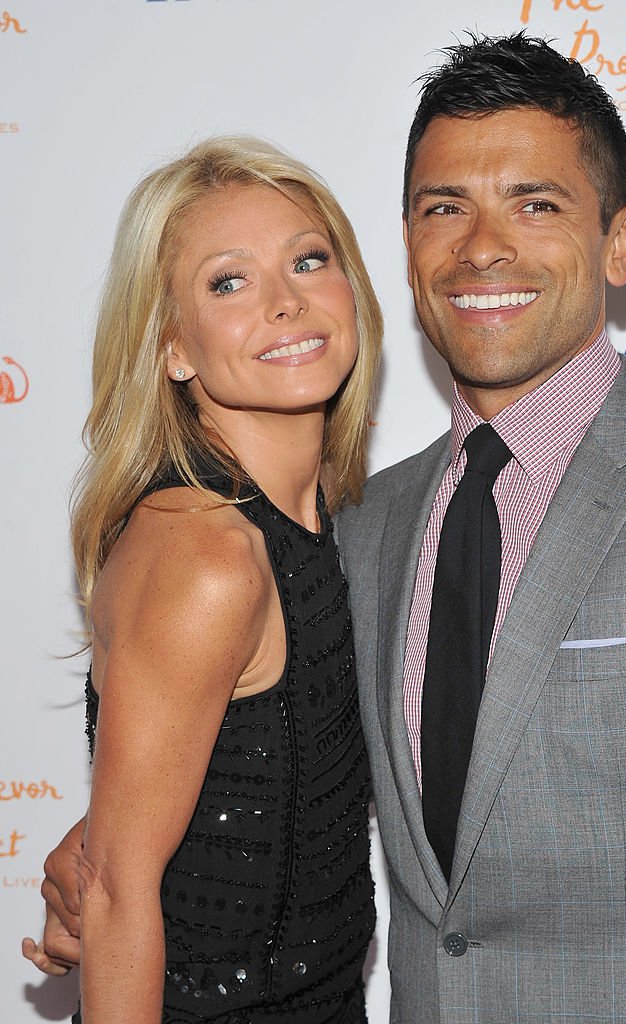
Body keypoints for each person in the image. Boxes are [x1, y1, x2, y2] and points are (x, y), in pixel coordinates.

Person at [26, 31, 626, 1023]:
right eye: (445, 208)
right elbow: (266, 756)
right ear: (403, 246)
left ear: (617, 242)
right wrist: (111, 840)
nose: (483, 247)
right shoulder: (361, 528)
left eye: (534, 203)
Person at [22, 135, 382, 1024]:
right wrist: (99, 855)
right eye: (229, 282)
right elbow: (113, 889)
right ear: (173, 347)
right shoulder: (207, 551)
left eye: (308, 260)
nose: (285, 303)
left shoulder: (331, 518)